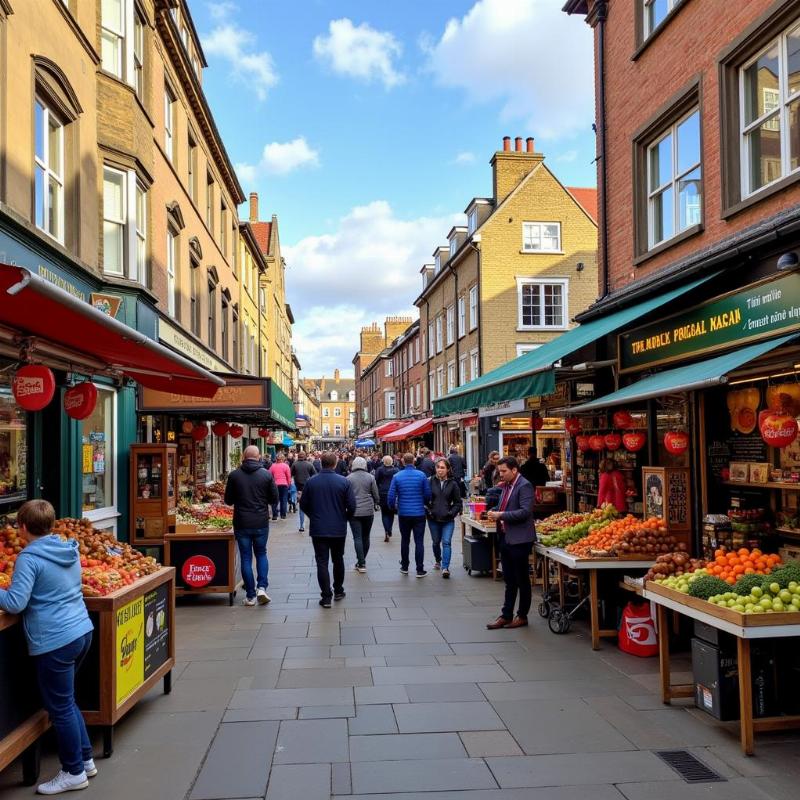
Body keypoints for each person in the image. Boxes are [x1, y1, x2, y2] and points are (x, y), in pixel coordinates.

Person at [0, 500, 96, 795]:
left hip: (55, 639)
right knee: (67, 701)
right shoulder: (69, 549)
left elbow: (16, 602)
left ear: (24, 527)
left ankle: (73, 772)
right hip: (81, 631)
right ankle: (85, 758)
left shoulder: (30, 558)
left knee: (60, 707)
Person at [299, 452, 357, 607]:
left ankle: (326, 597)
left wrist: (314, 516)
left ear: (321, 463)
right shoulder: (343, 482)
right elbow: (352, 506)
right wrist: (344, 517)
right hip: (338, 527)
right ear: (335, 463)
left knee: (322, 562)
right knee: (338, 559)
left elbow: (303, 504)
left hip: (319, 528)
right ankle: (338, 590)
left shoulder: (311, 482)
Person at [485, 456, 536, 630]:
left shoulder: (525, 486)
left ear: (514, 470)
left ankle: (522, 615)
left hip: (520, 539)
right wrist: (494, 511)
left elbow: (524, 512)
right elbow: (504, 506)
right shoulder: (506, 486)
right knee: (509, 579)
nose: (501, 474)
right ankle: (506, 615)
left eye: (504, 471)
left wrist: (501, 515)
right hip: (505, 537)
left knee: (521, 579)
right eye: (499, 471)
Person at [225, 445, 278, 605]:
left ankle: (250, 595)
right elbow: (274, 499)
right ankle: (261, 587)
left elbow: (228, 500)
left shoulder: (234, 475)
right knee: (261, 553)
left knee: (246, 557)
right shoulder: (266, 475)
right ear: (259, 457)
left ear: (243, 456)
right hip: (261, 521)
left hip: (242, 522)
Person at [388, 452, 432, 577]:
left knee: (405, 540)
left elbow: (391, 496)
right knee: (419, 541)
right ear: (413, 461)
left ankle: (405, 566)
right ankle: (419, 569)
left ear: (402, 461)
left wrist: (394, 508)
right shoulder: (421, 475)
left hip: (404, 513)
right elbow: (427, 494)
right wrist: (424, 503)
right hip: (419, 513)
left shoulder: (397, 476)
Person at [426, 458, 463, 578]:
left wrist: (451, 513)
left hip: (448, 519)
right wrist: (428, 511)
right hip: (433, 518)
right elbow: (424, 499)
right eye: (438, 467)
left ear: (447, 469)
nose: (440, 470)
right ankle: (438, 559)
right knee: (436, 542)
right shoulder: (429, 481)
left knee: (446, 542)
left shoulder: (453, 484)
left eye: (442, 468)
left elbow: (458, 503)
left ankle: (445, 567)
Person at [347, 456, 380, 573]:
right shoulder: (370, 477)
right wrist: (377, 502)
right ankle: (362, 560)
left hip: (354, 511)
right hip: (368, 511)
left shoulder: (348, 478)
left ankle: (361, 563)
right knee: (366, 536)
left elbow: (346, 496)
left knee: (357, 537)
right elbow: (375, 494)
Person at [374, 455, 399, 542]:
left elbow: (376, 481)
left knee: (384, 513)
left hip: (383, 492)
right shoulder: (396, 470)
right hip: (392, 492)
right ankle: (389, 529)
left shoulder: (380, 469)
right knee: (391, 512)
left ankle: (386, 530)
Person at [291, 451, 317, 532]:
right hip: (308, 488)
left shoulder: (294, 464)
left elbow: (291, 474)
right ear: (305, 456)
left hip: (298, 488)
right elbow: (315, 475)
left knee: (301, 507)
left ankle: (301, 525)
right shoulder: (309, 464)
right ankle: (314, 524)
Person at [269, 452, 292, 520]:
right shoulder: (286, 466)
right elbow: (289, 477)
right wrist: (288, 484)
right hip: (284, 485)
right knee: (283, 500)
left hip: (275, 485)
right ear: (283, 459)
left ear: (276, 459)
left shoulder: (272, 466)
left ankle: (275, 515)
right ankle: (283, 515)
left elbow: (269, 476)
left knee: (275, 500)